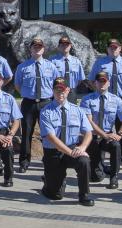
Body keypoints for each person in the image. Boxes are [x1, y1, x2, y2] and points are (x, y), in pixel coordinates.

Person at [39, 78, 94, 207]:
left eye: (63, 90)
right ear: (52, 91)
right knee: (55, 195)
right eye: (57, 90)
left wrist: (82, 148)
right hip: (54, 152)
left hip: (72, 147)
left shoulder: (78, 110)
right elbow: (51, 137)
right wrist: (70, 152)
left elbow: (88, 133)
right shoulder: (45, 112)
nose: (60, 93)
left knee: (84, 161)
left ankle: (84, 195)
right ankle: (49, 183)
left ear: (68, 90)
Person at [88, 39, 122, 168]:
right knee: (103, 128)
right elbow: (92, 80)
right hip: (105, 99)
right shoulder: (100, 63)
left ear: (120, 49)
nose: (113, 49)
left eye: (116, 47)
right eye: (111, 47)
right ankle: (100, 160)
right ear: (107, 49)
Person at [80, 71, 122, 190]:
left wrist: (120, 134)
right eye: (99, 81)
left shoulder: (116, 100)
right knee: (96, 177)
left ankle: (114, 177)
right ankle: (101, 168)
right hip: (92, 137)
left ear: (108, 83)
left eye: (104, 81)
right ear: (95, 83)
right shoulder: (87, 99)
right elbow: (89, 121)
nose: (102, 83)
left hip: (108, 135)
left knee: (116, 145)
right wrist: (103, 135)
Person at [14, 38, 58, 173]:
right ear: (31, 49)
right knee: (27, 133)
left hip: (46, 102)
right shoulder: (23, 67)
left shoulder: (51, 66)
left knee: (48, 133)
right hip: (29, 103)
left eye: (40, 47)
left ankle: (49, 160)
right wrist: (27, 94)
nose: (37, 49)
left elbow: (56, 84)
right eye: (35, 47)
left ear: (43, 49)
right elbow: (17, 84)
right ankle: (24, 162)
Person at [50, 35, 86, 103]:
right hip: (58, 91)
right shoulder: (52, 61)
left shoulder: (76, 61)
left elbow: (80, 79)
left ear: (70, 46)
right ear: (58, 46)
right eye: (62, 44)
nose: (65, 46)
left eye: (67, 44)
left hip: (72, 92)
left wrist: (71, 87)